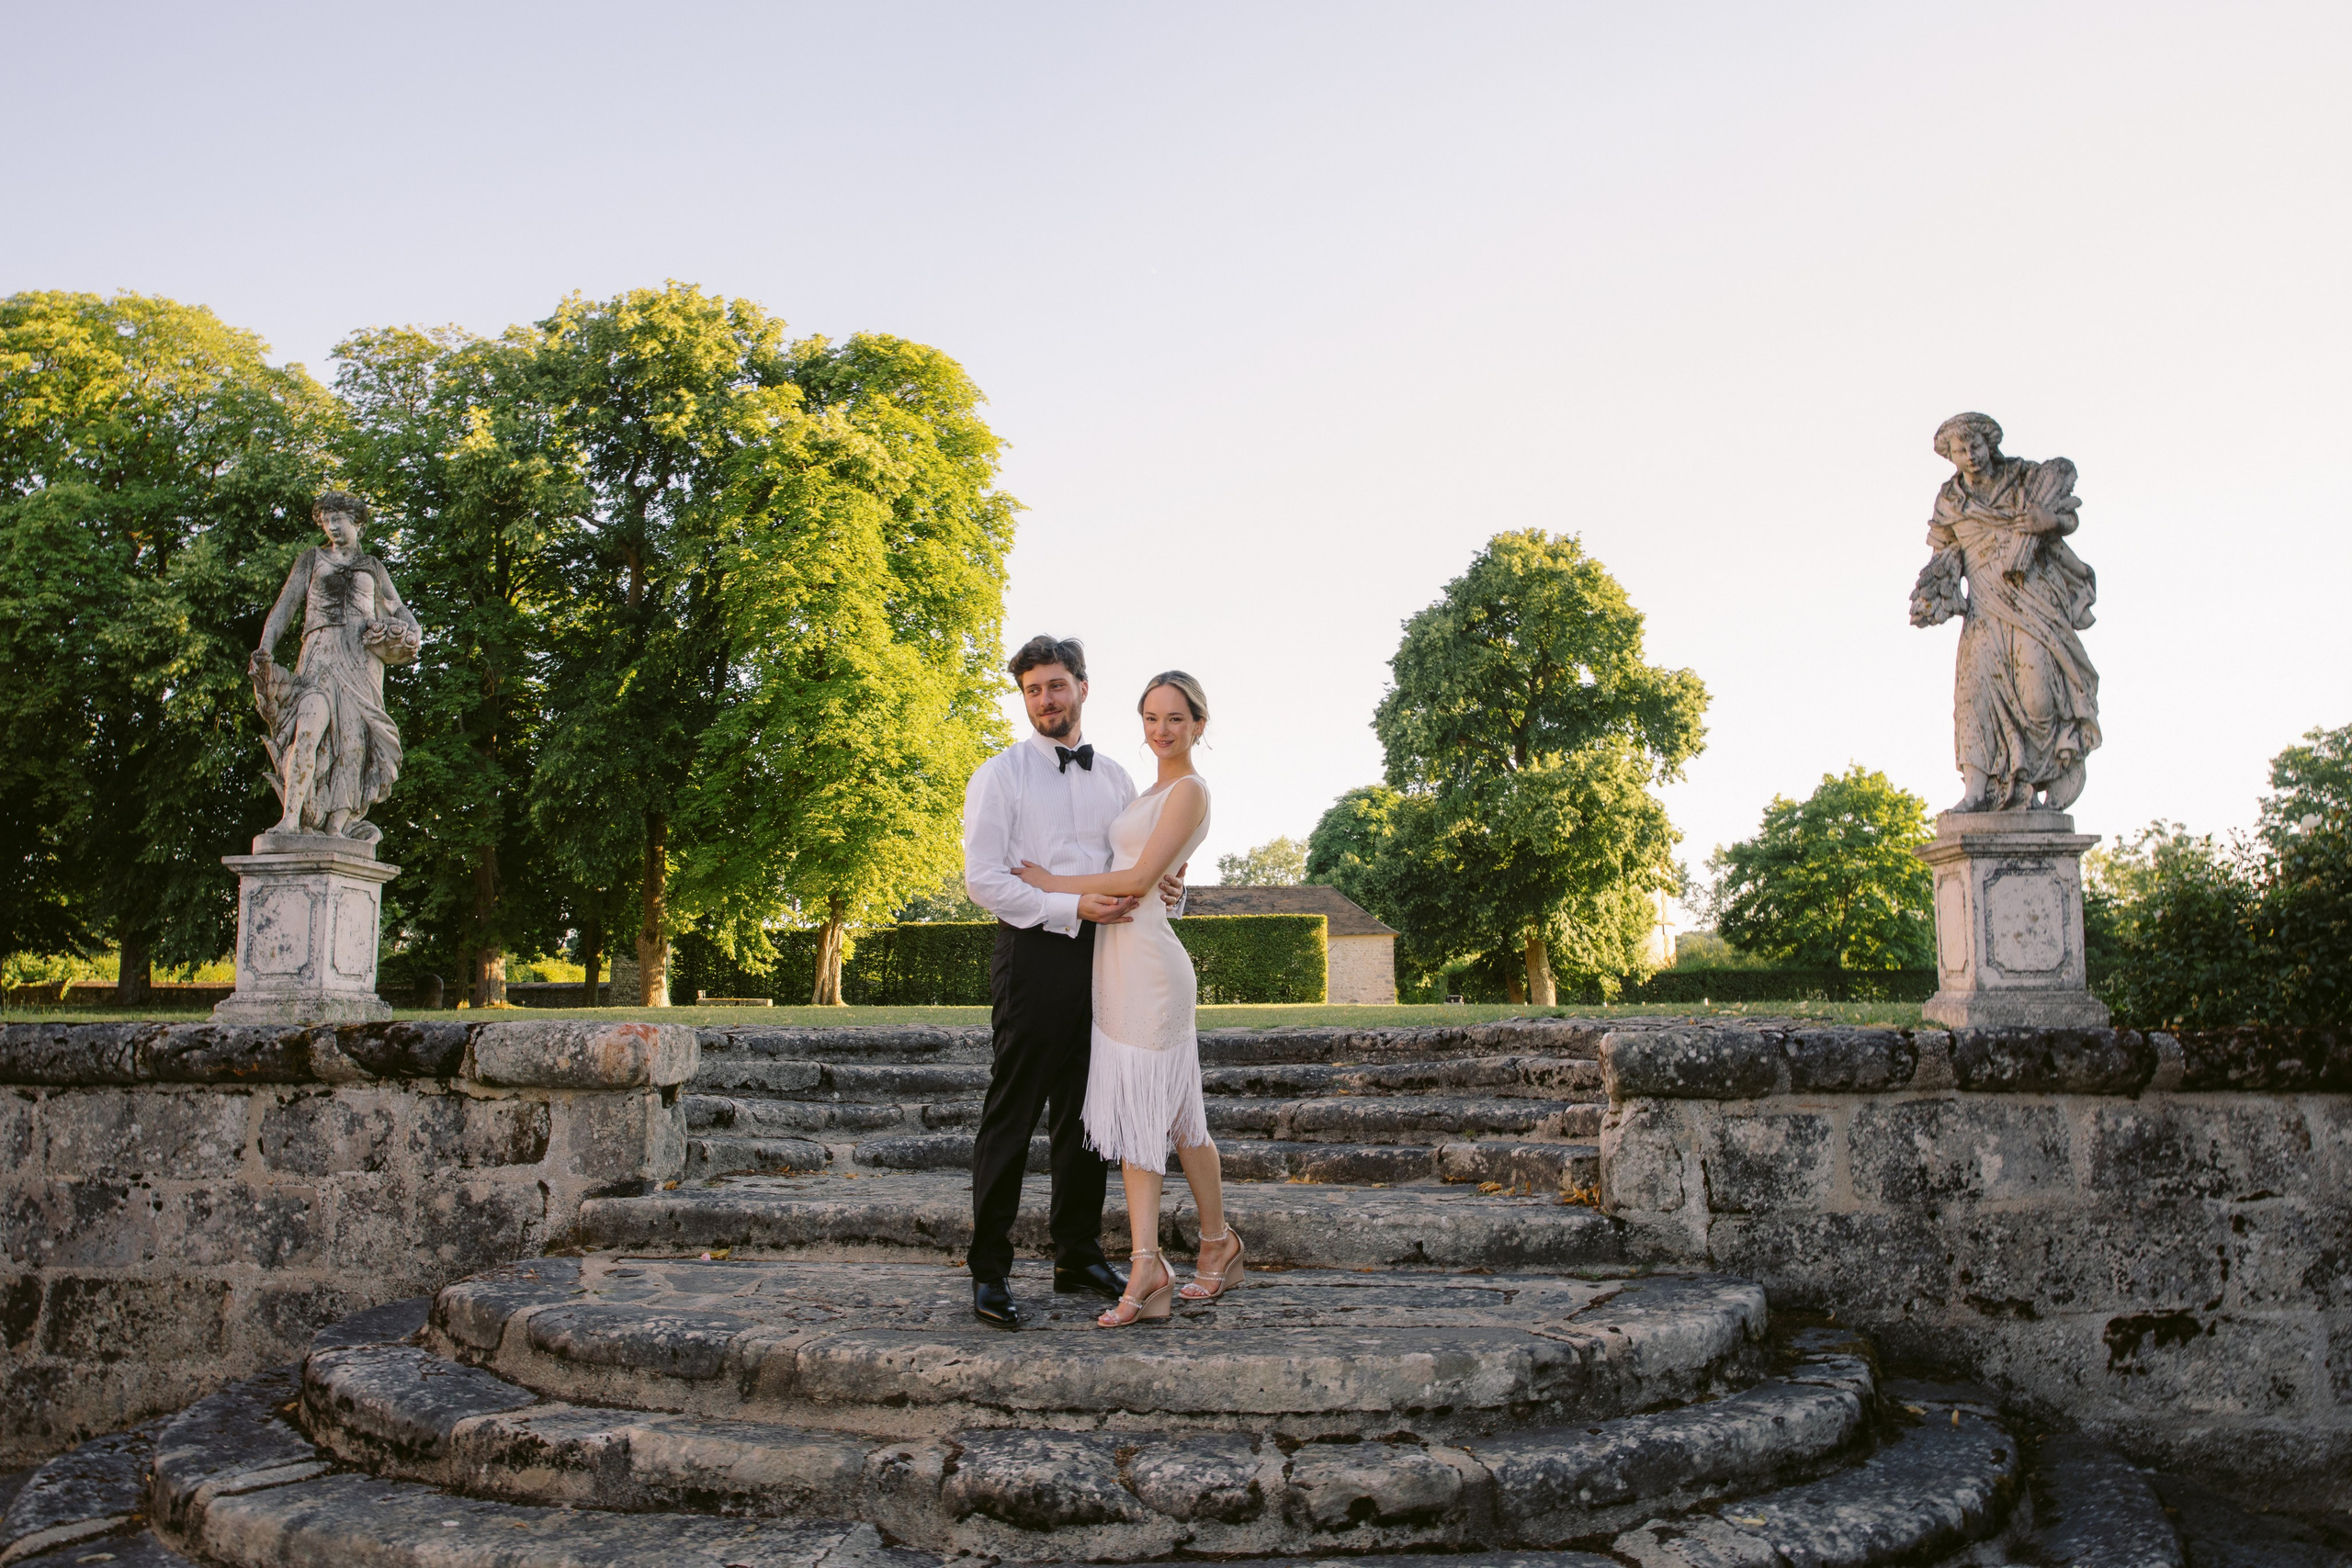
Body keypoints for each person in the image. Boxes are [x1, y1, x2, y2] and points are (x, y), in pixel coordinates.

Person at [959, 636, 1184, 1329]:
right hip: (1035, 953)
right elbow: (984, 879)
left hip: (1112, 955)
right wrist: (1069, 905)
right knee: (1014, 1113)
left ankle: (1076, 1253)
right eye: (1032, 689)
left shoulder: (1118, 778)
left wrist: (1171, 890)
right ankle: (989, 1270)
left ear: (1083, 687)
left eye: (1056, 685)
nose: (1045, 700)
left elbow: (1139, 870)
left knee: (1091, 1115)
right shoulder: (999, 776)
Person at [1014, 671, 1241, 1327]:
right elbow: (1156, 873)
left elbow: (1141, 877)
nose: (1161, 730)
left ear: (1200, 723)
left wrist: (1053, 883)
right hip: (1114, 963)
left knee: (1151, 1115)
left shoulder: (1191, 789)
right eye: (1150, 717)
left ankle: (1159, 1263)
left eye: (1175, 717)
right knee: (1172, 1118)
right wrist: (1170, 885)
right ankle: (1206, 1245)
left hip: (1149, 967)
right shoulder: (1147, 791)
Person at [1908, 412, 2101, 813]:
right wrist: (1935, 588)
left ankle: (2045, 777)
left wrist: (2046, 520)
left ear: (1989, 444)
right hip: (1984, 605)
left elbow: (2067, 517)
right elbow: (1944, 553)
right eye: (1960, 450)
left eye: (1975, 446)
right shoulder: (1950, 500)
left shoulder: (2024, 479)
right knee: (1975, 695)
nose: (1970, 456)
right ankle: (1976, 792)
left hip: (2033, 600)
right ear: (1951, 456)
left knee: (2039, 700)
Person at [251, 491, 421, 842]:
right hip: (318, 658)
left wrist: (412, 629)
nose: (332, 528)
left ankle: (337, 827)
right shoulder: (311, 559)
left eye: (338, 520)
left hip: (360, 662)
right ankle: (290, 819)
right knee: (307, 732)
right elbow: (285, 606)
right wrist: (265, 648)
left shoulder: (372, 566)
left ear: (357, 522)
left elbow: (397, 606)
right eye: (326, 522)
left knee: (354, 744)